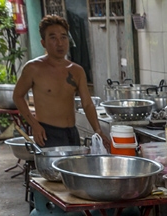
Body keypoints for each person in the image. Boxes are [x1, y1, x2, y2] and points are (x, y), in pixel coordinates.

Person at [13, 15, 102, 148]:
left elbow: (87, 104)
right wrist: (34, 124)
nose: (60, 43)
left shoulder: (77, 71)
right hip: (47, 133)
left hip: (72, 133)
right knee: (50, 170)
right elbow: (17, 96)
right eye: (53, 38)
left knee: (74, 169)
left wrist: (98, 130)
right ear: (43, 42)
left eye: (63, 37)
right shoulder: (33, 68)